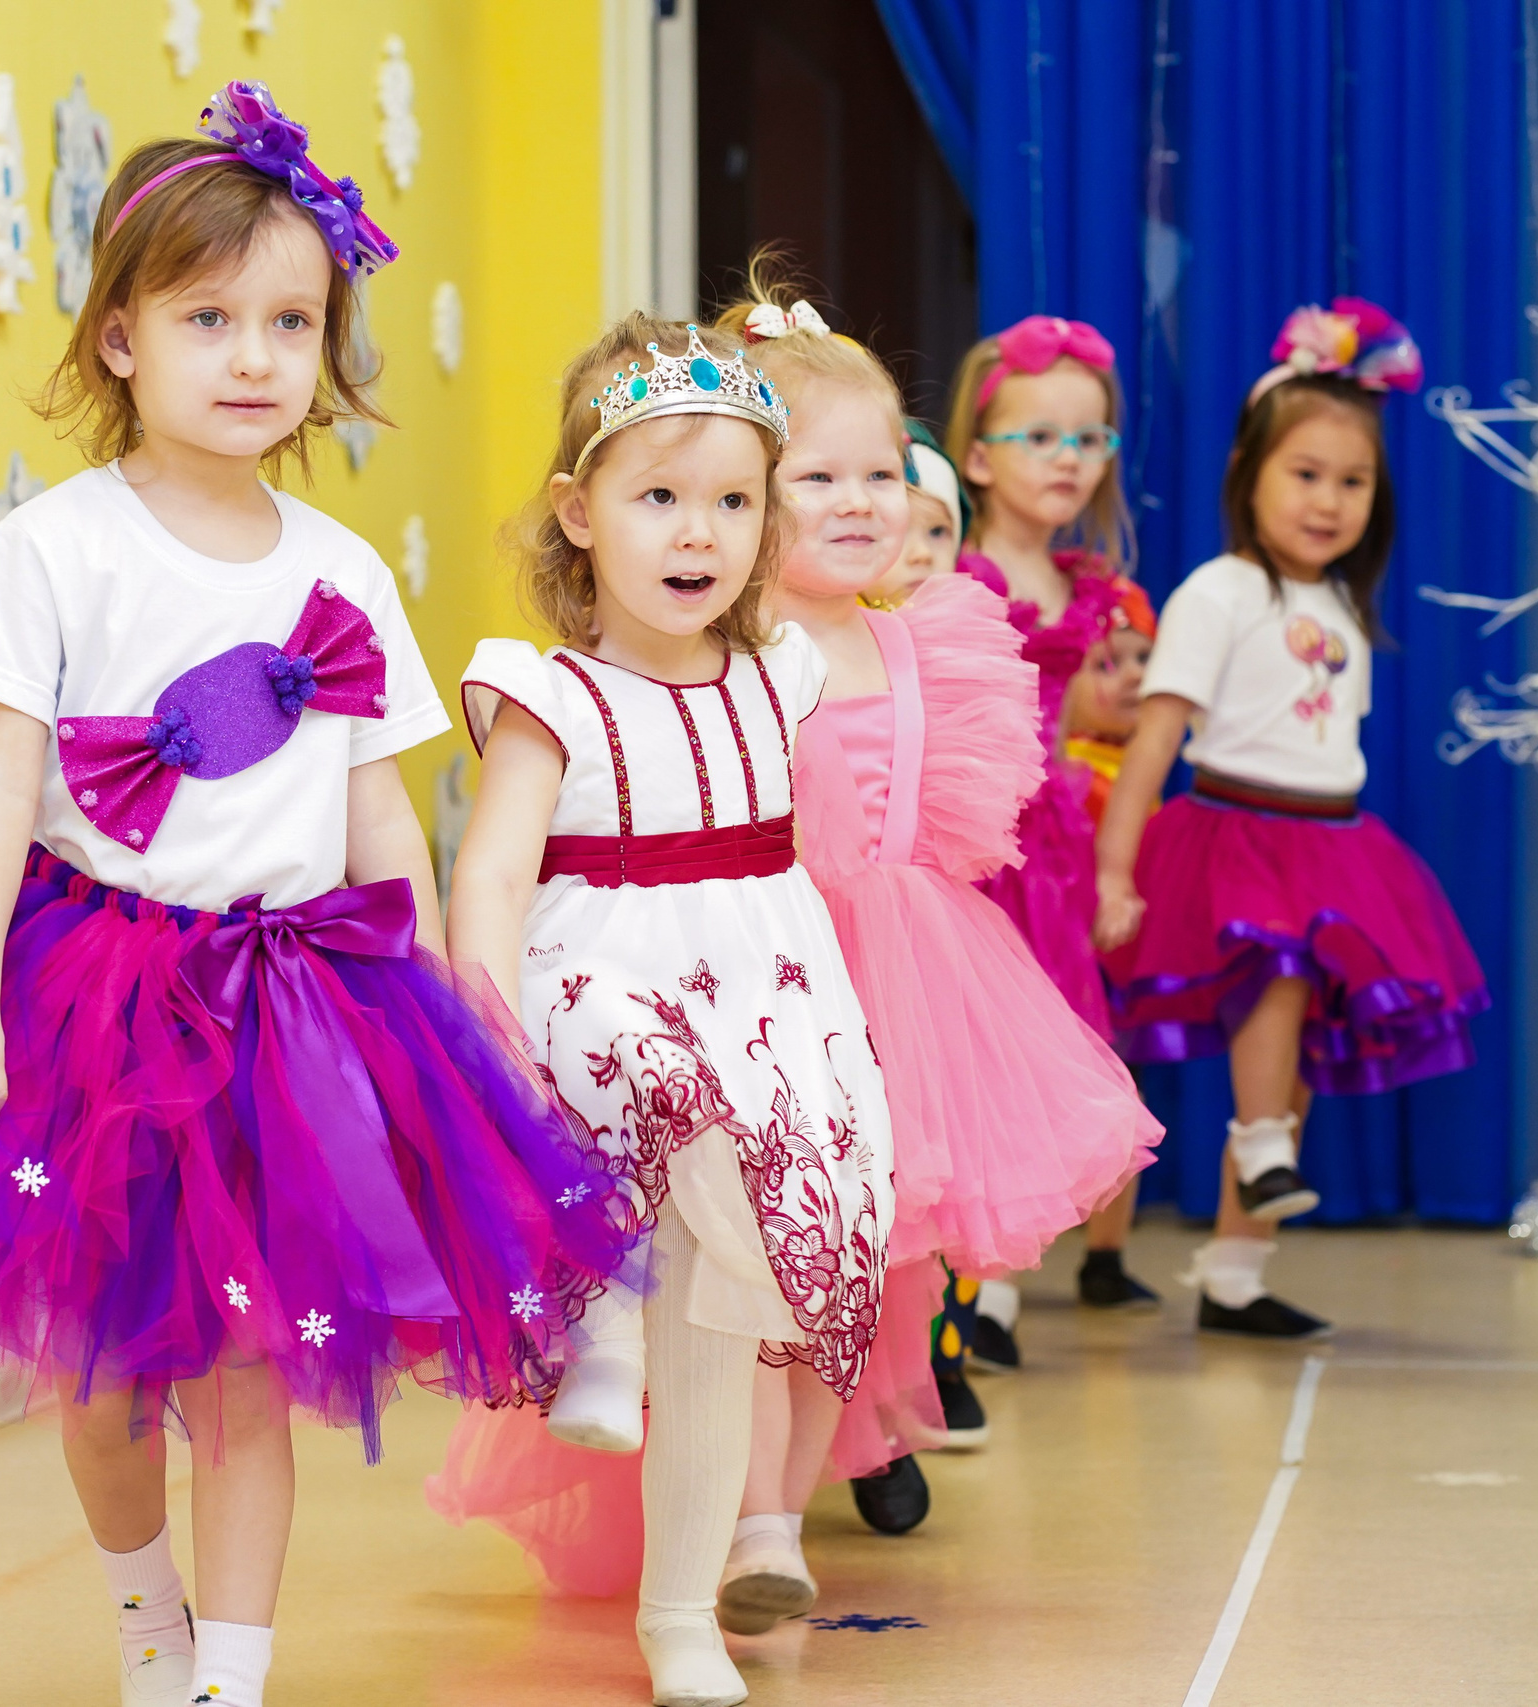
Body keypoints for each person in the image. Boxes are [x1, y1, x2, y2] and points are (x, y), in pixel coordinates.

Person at [0, 86, 634, 1707]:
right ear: (123, 336)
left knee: (244, 1373)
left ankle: (227, 1667)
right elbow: (0, 780)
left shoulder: (340, 570)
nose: (253, 356)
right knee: (104, 1381)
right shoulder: (56, 548)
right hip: (100, 995)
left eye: (290, 320)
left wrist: (429, 1004)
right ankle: (145, 1603)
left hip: (294, 1004)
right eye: (209, 316)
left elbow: (383, 816)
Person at [446, 312, 894, 1707]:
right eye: (658, 497)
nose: (697, 532)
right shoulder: (550, 692)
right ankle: (603, 1314)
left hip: (764, 996)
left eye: (733, 501)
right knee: (638, 1061)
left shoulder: (781, 674)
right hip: (601, 975)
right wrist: (478, 1010)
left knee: (724, 1329)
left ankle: (681, 1614)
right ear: (581, 513)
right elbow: (496, 870)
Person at [726, 288, 1158, 1574]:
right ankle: (738, 1493)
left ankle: (854, 1451)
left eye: (881, 473)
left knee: (883, 1247)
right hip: (759, 973)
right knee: (754, 1247)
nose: (860, 501)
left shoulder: (932, 647)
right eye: (818, 476)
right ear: (743, 491)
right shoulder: (722, 641)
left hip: (903, 983)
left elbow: (957, 831)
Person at [1094, 299, 1489, 1340]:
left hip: (1334, 841)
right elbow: (1155, 739)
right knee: (1270, 986)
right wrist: (1114, 871)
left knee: (1304, 1030)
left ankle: (1236, 1271)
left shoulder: (1342, 609)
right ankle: (1260, 1141)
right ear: (1249, 475)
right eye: (1303, 475)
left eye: (1350, 482)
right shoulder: (1218, 593)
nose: (1327, 502)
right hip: (1236, 834)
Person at [938, 315, 1137, 1363]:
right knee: (972, 1060)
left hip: (1052, 849)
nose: (1068, 459)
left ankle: (999, 1282)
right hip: (978, 850)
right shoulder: (955, 576)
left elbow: (1075, 729)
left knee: (1044, 1058)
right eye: (1041, 438)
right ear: (977, 456)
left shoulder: (1083, 586)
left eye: (1089, 439)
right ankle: (961, 1285)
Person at [1059, 577, 1166, 1310]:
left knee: (1124, 1100)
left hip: (1120, 961)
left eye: (1142, 660)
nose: (1130, 677)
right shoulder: (1058, 765)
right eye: (1108, 662)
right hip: (1058, 959)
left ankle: (1107, 1253)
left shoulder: (1145, 767)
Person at [862, 422, 967, 606]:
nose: (923, 553)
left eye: (937, 531)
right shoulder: (814, 632)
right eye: (897, 532)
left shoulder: (972, 625)